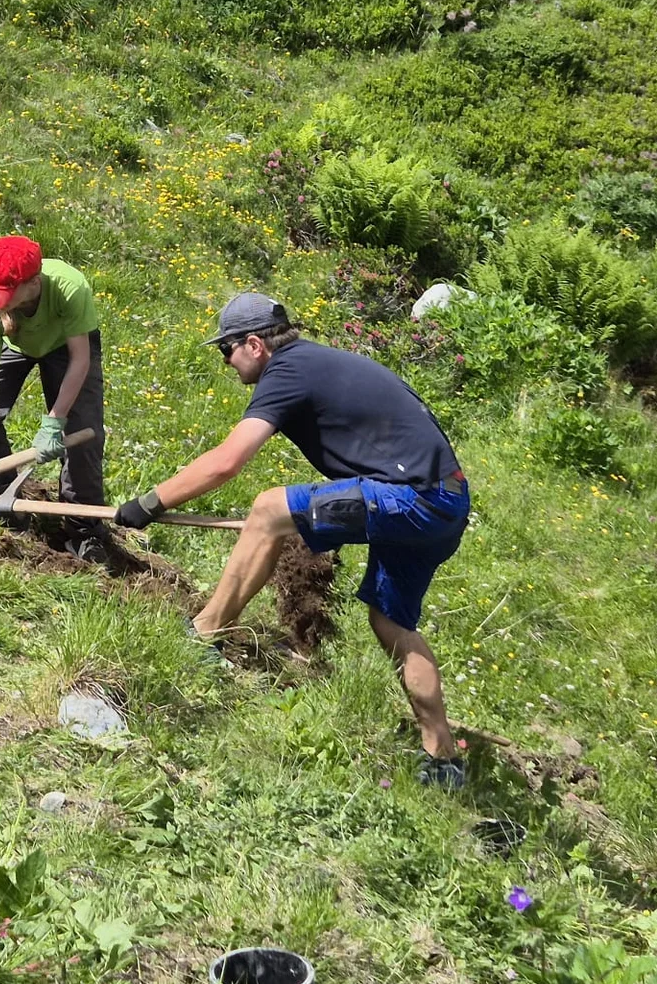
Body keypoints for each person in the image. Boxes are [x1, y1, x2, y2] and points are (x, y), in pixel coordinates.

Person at [114, 293, 472, 789]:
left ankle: (204, 634)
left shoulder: (288, 370)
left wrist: (150, 502)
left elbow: (227, 462)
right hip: (446, 499)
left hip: (412, 497)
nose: (226, 361)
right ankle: (443, 759)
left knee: (268, 511)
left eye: (227, 350)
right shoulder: (315, 362)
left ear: (254, 344)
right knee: (392, 621)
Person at [0, 235, 111, 564]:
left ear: (33, 283)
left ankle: (84, 530)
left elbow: (80, 360)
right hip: (16, 346)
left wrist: (55, 421)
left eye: (5, 294)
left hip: (67, 348)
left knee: (83, 431)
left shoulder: (69, 287)